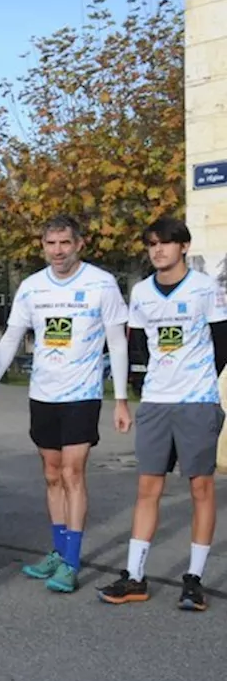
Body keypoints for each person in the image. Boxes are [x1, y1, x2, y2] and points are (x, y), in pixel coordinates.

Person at [0, 215, 131, 594]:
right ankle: (59, 552)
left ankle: (72, 562)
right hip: (42, 393)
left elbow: (119, 342)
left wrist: (122, 399)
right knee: (50, 472)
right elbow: (12, 338)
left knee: (73, 472)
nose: (58, 251)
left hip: (82, 394)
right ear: (42, 246)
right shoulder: (32, 288)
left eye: (65, 243)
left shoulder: (101, 283)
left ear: (79, 244)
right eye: (51, 244)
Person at [99, 217, 226, 610]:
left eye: (166, 243)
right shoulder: (140, 292)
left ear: (183, 247)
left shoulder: (207, 289)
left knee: (200, 488)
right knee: (148, 488)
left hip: (196, 401)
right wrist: (141, 390)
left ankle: (194, 579)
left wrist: (198, 381)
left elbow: (222, 341)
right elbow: (138, 345)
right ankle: (135, 577)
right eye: (152, 244)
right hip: (155, 402)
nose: (158, 250)